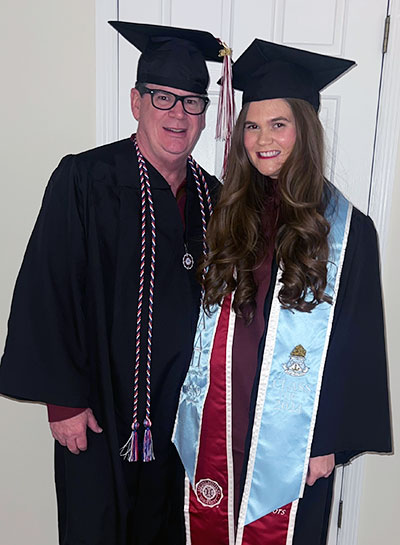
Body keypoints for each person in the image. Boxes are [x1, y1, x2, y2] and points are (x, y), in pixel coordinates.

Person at [0, 21, 230, 545]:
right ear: (136, 101)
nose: (178, 115)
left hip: (180, 424)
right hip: (98, 412)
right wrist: (63, 403)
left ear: (205, 115)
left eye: (192, 102)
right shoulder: (84, 179)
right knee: (95, 529)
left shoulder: (214, 199)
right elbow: (48, 288)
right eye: (163, 98)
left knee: (168, 530)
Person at [173, 39, 392, 545]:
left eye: (278, 124)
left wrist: (326, 442)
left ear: (305, 129)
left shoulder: (347, 229)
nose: (262, 139)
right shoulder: (225, 213)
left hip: (296, 434)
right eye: (252, 125)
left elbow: (356, 344)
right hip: (220, 418)